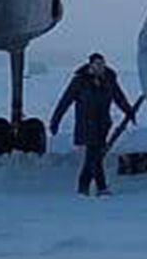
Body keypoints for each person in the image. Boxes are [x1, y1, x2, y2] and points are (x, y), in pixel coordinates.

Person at [49, 52, 134, 196]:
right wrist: (55, 121)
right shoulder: (80, 81)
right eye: (97, 64)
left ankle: (84, 186)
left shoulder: (109, 80)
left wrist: (129, 111)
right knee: (94, 155)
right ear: (91, 65)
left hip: (103, 124)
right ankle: (101, 187)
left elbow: (119, 97)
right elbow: (65, 101)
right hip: (86, 124)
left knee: (94, 156)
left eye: (102, 64)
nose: (100, 67)